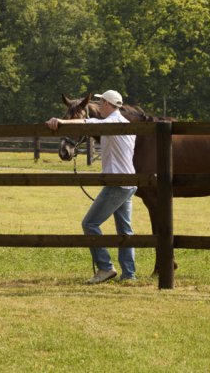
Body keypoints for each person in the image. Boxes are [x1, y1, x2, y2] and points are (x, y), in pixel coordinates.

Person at [46, 89, 137, 284]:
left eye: (101, 103)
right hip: (129, 182)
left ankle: (105, 268)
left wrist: (61, 122)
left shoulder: (111, 123)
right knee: (125, 231)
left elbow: (88, 123)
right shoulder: (126, 124)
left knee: (89, 224)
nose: (98, 107)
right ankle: (129, 274)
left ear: (106, 104)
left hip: (116, 183)